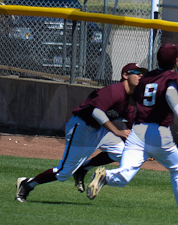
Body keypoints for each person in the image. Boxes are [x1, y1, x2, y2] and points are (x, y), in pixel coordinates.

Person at [86, 43, 178, 225]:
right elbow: (171, 94)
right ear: (175, 61)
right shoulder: (174, 78)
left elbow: (135, 99)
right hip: (159, 133)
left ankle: (105, 176)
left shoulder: (146, 77)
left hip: (137, 132)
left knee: (125, 174)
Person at [15, 63, 147, 202]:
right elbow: (97, 112)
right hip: (82, 127)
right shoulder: (114, 91)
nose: (141, 76)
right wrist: (117, 131)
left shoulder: (131, 99)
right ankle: (27, 184)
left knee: (123, 152)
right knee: (64, 173)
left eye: (143, 73)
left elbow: (131, 128)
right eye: (137, 73)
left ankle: (83, 169)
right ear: (125, 75)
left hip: (100, 130)